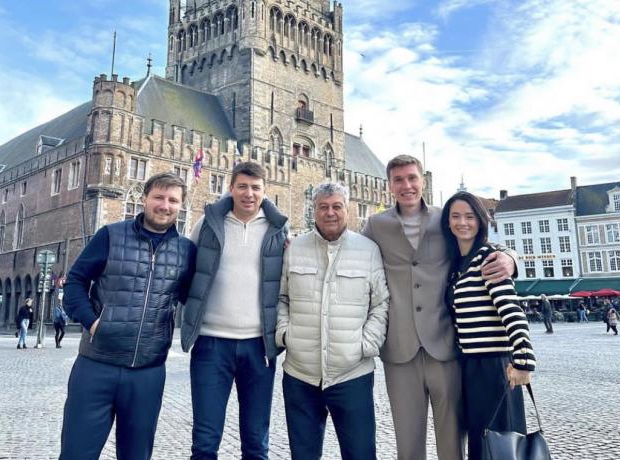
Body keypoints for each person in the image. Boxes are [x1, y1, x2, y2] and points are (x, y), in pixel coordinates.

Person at [361, 155, 516, 460]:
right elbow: (350, 252)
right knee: (408, 442)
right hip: (400, 350)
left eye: (412, 178)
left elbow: (479, 241)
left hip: (444, 345)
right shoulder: (376, 225)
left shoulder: (444, 218)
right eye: (399, 180)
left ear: (422, 180)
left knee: (451, 441)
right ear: (389, 185)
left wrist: (510, 257)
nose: (406, 185)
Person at [60, 172, 196, 460]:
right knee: (76, 453)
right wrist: (93, 323)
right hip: (96, 366)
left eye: (173, 200)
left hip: (147, 373)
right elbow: (75, 282)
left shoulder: (186, 251)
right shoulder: (110, 235)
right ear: (144, 198)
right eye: (159, 197)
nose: (165, 205)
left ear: (181, 206)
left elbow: (196, 297)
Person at [180, 162, 288, 460]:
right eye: (242, 186)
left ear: (265, 192)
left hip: (259, 348)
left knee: (256, 442)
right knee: (205, 440)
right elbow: (185, 272)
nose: (249, 194)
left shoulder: (279, 230)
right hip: (211, 344)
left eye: (255, 188)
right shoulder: (208, 224)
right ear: (231, 188)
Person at [276, 183, 389, 460]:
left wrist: (366, 344)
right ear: (313, 211)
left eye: (336, 206)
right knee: (303, 455)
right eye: (323, 207)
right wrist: (285, 334)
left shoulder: (369, 250)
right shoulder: (295, 248)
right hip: (300, 375)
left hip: (352, 375)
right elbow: (281, 298)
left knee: (360, 454)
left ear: (347, 209)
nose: (330, 213)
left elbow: (381, 303)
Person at [441, 191, 535, 460]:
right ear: (448, 222)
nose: (463, 222)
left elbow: (511, 309)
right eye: (456, 216)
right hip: (470, 367)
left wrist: (524, 361)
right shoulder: (457, 264)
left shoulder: (488, 259)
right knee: (482, 445)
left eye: (470, 216)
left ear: (480, 221)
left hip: (495, 367)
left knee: (502, 444)